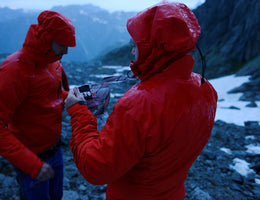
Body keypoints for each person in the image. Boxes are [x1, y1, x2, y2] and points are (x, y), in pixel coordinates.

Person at [64, 2, 217, 200]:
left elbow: (96, 168)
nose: (132, 52)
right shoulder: (206, 90)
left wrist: (78, 113)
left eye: (135, 46)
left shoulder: (138, 105)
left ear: (152, 49)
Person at [0, 10, 75, 200]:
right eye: (63, 44)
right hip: (31, 157)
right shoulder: (13, 70)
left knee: (56, 196)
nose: (66, 51)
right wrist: (32, 164)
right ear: (48, 39)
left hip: (55, 150)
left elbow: (54, 96)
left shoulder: (53, 62)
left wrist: (73, 98)